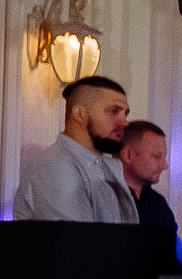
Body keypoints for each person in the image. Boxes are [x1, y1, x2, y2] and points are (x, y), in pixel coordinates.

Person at [14, 76, 139, 224]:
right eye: (113, 111)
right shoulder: (56, 168)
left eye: (125, 113)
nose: (124, 122)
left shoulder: (105, 167)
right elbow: (77, 241)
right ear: (79, 113)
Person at [116, 120, 182, 271]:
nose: (164, 165)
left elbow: (177, 256)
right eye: (156, 156)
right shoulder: (103, 197)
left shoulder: (157, 204)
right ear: (127, 155)